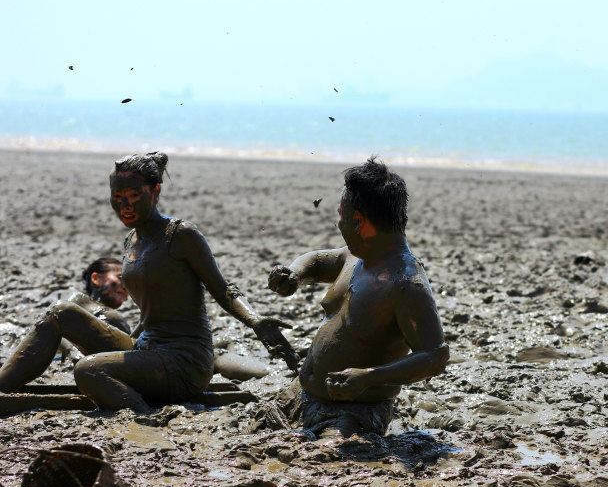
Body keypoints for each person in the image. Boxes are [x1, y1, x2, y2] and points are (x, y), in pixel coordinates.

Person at [0, 152, 297, 412]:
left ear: (154, 191)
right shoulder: (132, 240)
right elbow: (151, 311)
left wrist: (256, 321)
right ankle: (3, 385)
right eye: (117, 199)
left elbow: (223, 288)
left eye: (133, 196)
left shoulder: (180, 235)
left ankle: (144, 414)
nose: (125, 206)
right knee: (60, 313)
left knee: (88, 371)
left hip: (184, 362)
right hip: (147, 348)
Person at [268, 157, 448, 438]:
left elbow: (435, 356)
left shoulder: (405, 283)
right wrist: (294, 274)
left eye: (340, 215)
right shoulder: (355, 255)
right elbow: (316, 261)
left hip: (353, 413)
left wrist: (369, 377)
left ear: (359, 221)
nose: (337, 223)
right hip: (301, 393)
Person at [57, 257, 271, 381]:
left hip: (125, 357)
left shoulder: (115, 314)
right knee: (214, 350)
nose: (125, 286)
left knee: (218, 342)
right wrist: (71, 350)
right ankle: (267, 377)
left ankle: (264, 371)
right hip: (116, 364)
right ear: (96, 278)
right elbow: (54, 322)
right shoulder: (79, 301)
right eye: (121, 278)